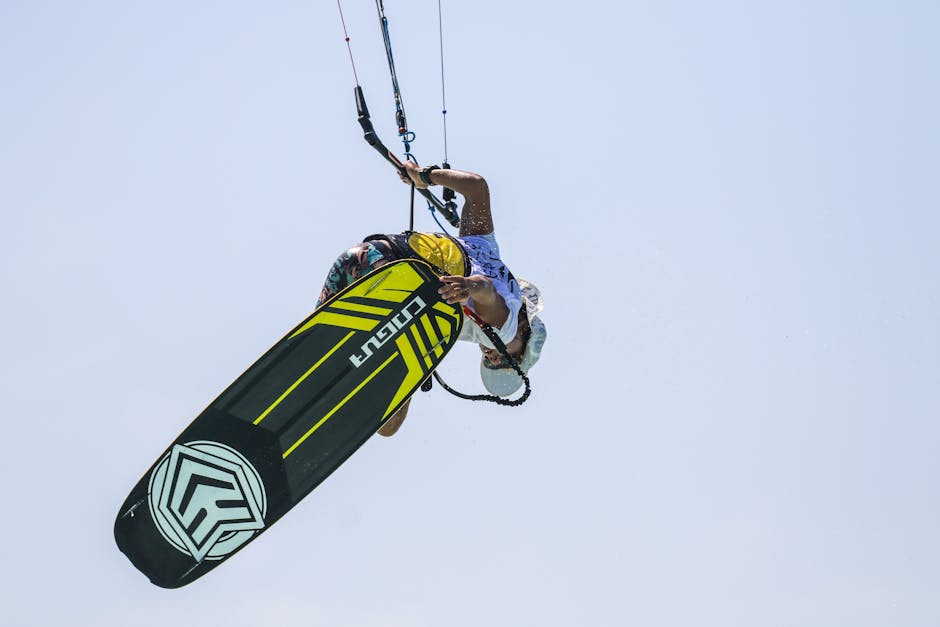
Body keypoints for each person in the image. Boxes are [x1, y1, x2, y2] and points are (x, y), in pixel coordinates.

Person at [316, 161, 547, 436]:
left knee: (388, 425)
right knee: (388, 423)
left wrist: (423, 176)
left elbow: (476, 188)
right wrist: (469, 287)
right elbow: (485, 290)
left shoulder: (486, 248)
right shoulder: (505, 331)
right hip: (391, 279)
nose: (492, 358)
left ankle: (312, 365)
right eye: (506, 360)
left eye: (490, 363)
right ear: (524, 329)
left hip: (361, 257)